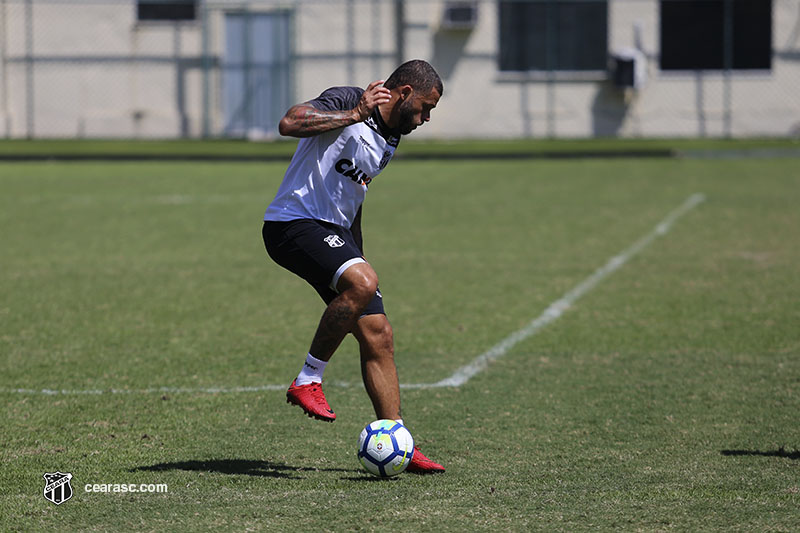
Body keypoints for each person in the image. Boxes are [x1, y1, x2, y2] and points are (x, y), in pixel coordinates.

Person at [262, 60, 445, 473]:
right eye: (425, 107)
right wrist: (354, 113)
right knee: (363, 283)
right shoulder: (348, 99)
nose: (427, 118)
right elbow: (289, 122)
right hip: (292, 223)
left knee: (378, 332)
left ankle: (396, 437)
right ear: (403, 93)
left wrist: (356, 254)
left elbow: (352, 197)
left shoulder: (393, 135)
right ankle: (308, 379)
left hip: (334, 232)